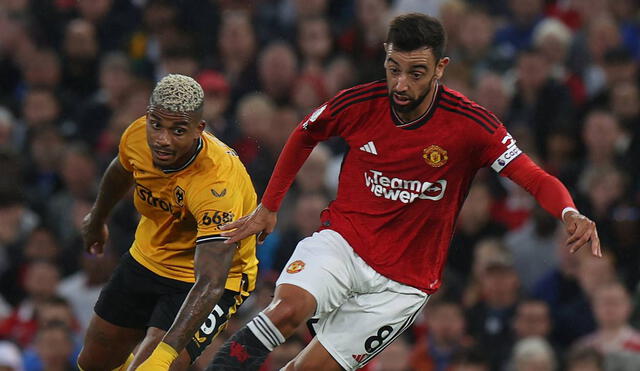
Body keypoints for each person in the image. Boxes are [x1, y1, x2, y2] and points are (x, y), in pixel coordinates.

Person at [209, 13, 601, 371]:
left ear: (440, 68)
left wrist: (570, 212)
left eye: (416, 73)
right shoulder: (360, 102)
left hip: (404, 285)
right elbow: (305, 133)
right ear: (385, 56)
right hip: (343, 243)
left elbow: (534, 177)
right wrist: (269, 206)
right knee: (286, 311)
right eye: (393, 68)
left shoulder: (472, 125)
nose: (401, 83)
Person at [77, 74, 258, 371]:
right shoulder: (137, 135)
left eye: (178, 130)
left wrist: (164, 357)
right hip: (149, 257)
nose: (162, 139)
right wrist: (97, 219)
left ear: (199, 129)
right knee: (92, 363)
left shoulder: (217, 185)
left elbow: (210, 283)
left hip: (212, 279)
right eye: (156, 125)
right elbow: (121, 171)